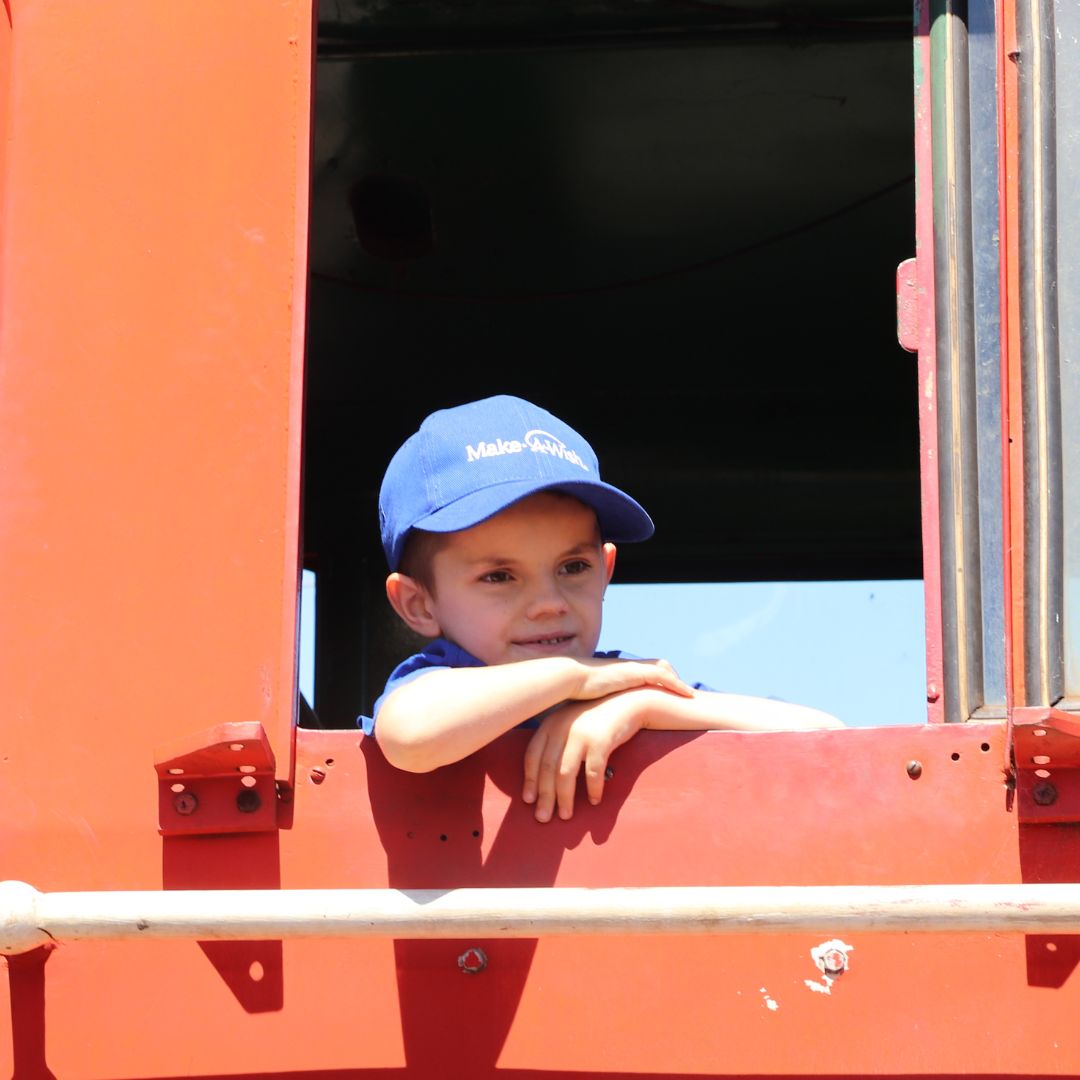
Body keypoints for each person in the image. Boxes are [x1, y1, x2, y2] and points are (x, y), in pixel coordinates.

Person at [361, 395, 843, 823]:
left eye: (572, 567)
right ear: (417, 604)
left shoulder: (626, 683)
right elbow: (410, 737)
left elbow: (829, 738)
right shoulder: (441, 681)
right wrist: (574, 678)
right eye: (499, 576)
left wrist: (643, 704)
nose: (549, 603)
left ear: (606, 568)